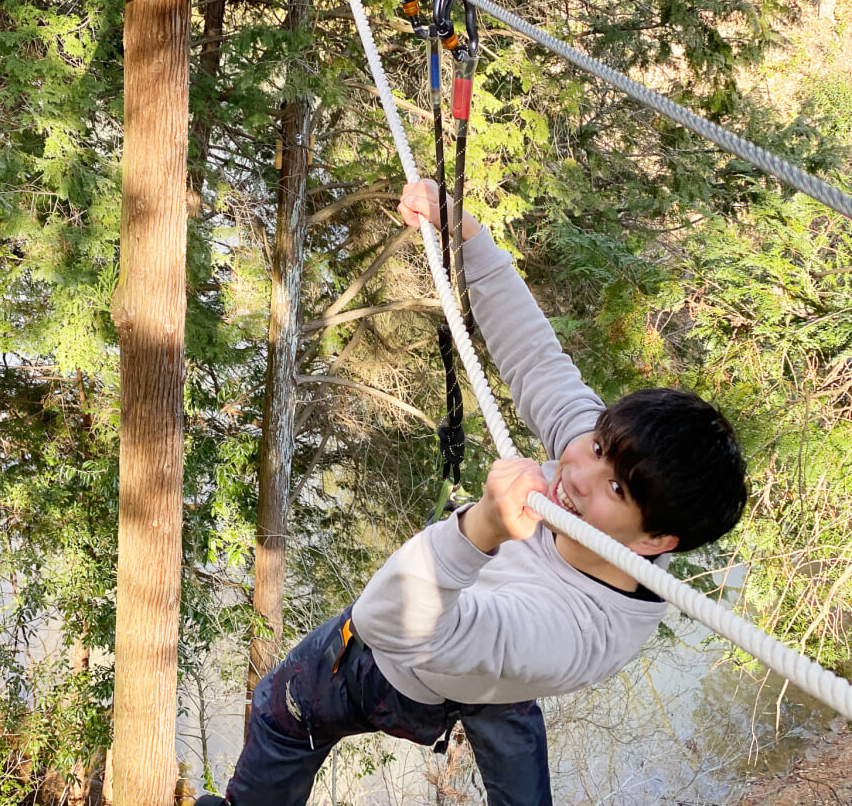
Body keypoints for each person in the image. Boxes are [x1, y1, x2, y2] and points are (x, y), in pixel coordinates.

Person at [195, 180, 747, 806]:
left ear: (654, 540)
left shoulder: (579, 633)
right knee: (505, 687)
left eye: (613, 486)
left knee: (280, 711)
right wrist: (470, 237)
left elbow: (386, 627)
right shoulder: (604, 465)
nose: (578, 472)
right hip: (496, 655)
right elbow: (536, 360)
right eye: (596, 446)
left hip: (408, 667)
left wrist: (480, 528)